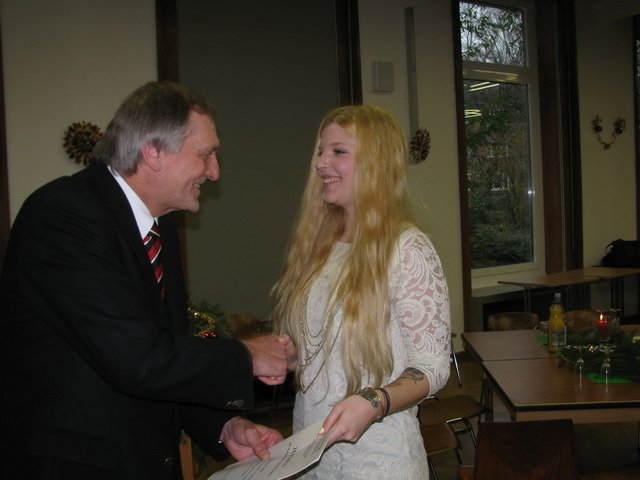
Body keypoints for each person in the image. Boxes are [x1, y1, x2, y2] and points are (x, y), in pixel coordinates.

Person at [0, 81, 291, 480]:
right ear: (153, 151)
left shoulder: (160, 226)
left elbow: (167, 355)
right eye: (205, 154)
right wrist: (247, 356)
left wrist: (224, 427)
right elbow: (136, 357)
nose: (214, 172)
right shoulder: (63, 216)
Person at [271, 105, 451, 478]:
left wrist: (374, 401)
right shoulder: (317, 245)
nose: (320, 163)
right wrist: (296, 355)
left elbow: (432, 367)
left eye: (338, 151)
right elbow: (330, 347)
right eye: (320, 151)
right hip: (312, 454)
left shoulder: (407, 249)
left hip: (379, 459)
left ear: (375, 164)